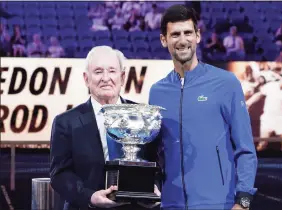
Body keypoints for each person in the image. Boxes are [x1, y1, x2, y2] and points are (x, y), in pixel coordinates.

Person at [148, 5, 258, 210]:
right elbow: (157, 152)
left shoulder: (226, 83)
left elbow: (245, 149)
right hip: (171, 204)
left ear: (198, 36)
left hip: (218, 203)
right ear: (164, 40)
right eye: (175, 34)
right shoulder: (157, 92)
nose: (182, 40)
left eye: (188, 32)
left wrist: (243, 201)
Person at [50, 46, 159, 210]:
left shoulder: (143, 116)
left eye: (112, 71)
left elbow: (158, 164)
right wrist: (90, 197)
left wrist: (155, 189)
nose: (106, 78)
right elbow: (59, 175)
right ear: (86, 79)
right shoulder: (65, 122)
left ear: (122, 77)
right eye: (98, 71)